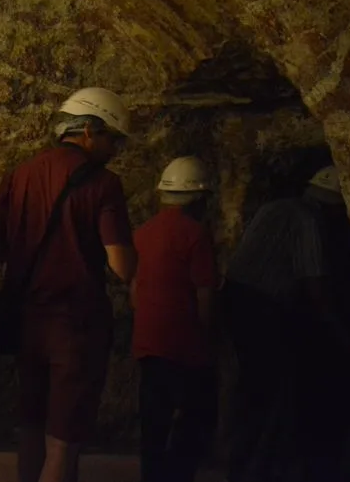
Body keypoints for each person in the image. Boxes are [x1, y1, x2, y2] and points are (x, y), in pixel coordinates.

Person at [0, 86, 137, 482]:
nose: (114, 149)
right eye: (111, 139)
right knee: (63, 443)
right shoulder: (104, 184)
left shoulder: (19, 174)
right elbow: (121, 265)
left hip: (26, 323)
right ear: (87, 131)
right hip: (76, 327)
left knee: (31, 429)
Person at [223, 165, 350, 482]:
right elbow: (316, 289)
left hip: (236, 301)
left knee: (253, 390)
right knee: (275, 394)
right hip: (263, 311)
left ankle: (243, 465)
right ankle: (265, 469)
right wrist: (348, 341)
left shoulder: (274, 207)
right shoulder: (310, 221)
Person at [131, 156, 218, 482]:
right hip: (185, 346)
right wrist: (208, 339)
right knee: (194, 421)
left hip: (149, 344)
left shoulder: (143, 233)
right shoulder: (195, 234)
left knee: (153, 428)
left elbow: (135, 291)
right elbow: (205, 294)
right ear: (198, 198)